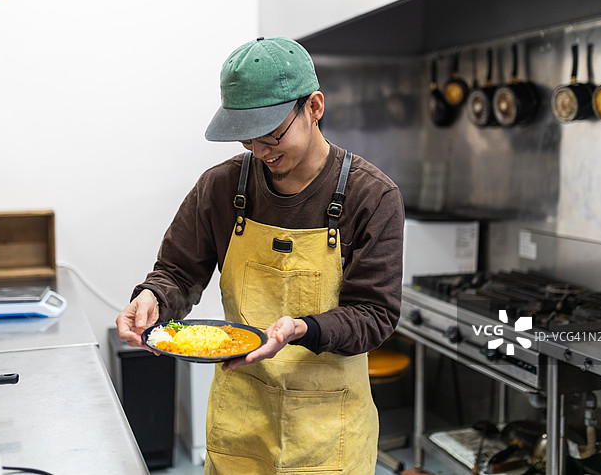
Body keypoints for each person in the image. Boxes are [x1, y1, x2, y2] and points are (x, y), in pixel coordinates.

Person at [116, 36, 404, 474]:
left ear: (314, 107)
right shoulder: (221, 187)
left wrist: (301, 328)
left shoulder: (372, 196)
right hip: (243, 419)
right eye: (247, 139)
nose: (261, 151)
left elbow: (374, 315)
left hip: (330, 433)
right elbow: (176, 271)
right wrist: (154, 297)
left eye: (272, 135)